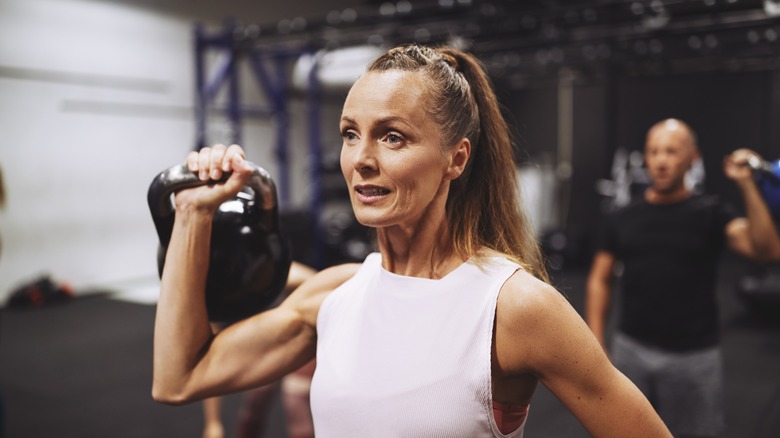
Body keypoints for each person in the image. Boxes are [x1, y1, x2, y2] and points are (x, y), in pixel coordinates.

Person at [153, 43, 671, 437]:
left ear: (457, 158)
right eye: (350, 133)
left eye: (392, 136)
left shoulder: (513, 307)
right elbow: (178, 379)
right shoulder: (333, 294)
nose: (361, 159)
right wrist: (193, 214)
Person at [585, 118, 780, 438]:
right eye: (654, 152)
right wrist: (595, 342)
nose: (661, 160)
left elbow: (767, 250)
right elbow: (599, 279)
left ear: (693, 157)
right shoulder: (621, 217)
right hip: (631, 349)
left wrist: (746, 183)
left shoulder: (712, 213)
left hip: (693, 357)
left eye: (672, 151)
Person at [201, 262, 317, 438]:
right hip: (268, 337)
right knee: (256, 403)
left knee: (295, 402)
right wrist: (213, 423)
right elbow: (205, 364)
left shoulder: (291, 276)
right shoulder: (220, 302)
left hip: (299, 332)